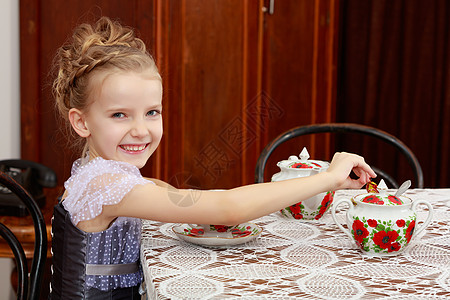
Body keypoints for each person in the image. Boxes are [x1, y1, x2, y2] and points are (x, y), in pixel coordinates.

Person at [49, 16, 376, 299]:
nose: (140, 130)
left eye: (151, 112)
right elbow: (228, 209)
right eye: (119, 115)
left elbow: (180, 198)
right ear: (81, 122)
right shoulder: (106, 185)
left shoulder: (100, 173)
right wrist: (327, 178)